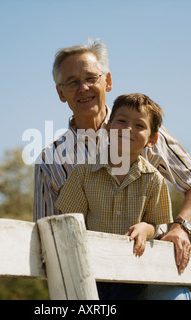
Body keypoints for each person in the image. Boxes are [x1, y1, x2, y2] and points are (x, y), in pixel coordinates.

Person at [33, 39, 191, 298]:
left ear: (107, 81)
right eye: (72, 82)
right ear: (61, 93)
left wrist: (181, 228)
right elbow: (46, 238)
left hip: (151, 268)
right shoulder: (50, 160)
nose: (83, 88)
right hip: (92, 278)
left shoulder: (144, 131)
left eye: (91, 78)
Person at [55, 93, 173, 299]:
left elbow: (158, 225)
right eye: (122, 121)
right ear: (108, 127)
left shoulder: (154, 180)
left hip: (132, 272)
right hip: (91, 267)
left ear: (152, 140)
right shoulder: (83, 173)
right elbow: (69, 222)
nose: (128, 129)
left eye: (139, 125)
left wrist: (146, 228)